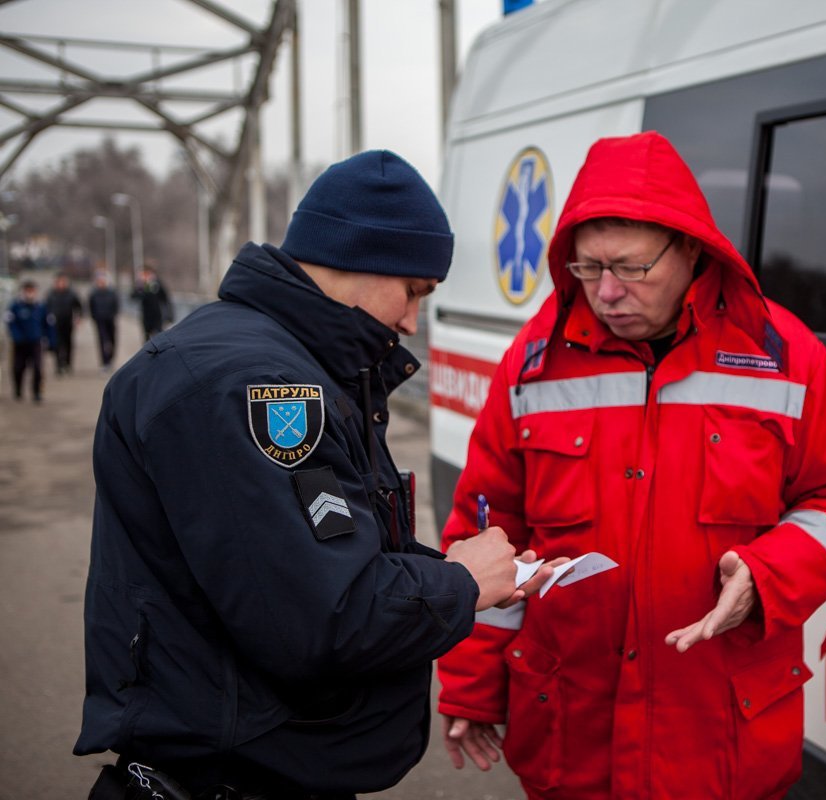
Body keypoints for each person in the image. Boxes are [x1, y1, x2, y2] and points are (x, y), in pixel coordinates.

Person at [76, 150, 560, 800]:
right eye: (414, 292)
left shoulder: (272, 360)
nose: (411, 322)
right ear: (362, 258)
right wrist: (459, 583)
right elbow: (322, 617)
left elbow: (314, 557)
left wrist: (462, 571)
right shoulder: (257, 385)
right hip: (234, 775)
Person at [437, 131, 826, 799]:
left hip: (720, 742)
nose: (607, 292)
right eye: (588, 268)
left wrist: (768, 575)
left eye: (631, 268)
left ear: (690, 248)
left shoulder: (782, 356)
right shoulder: (533, 364)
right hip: (574, 739)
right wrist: (472, 684)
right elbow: (486, 529)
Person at [5, 279, 49, 402]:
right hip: (20, 343)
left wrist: (50, 340)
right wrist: (16, 336)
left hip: (36, 342)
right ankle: (18, 389)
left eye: (32, 291)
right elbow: (10, 322)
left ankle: (37, 392)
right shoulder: (15, 306)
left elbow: (47, 324)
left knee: (38, 368)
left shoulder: (40, 306)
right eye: (27, 291)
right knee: (18, 368)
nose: (30, 293)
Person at [45, 272, 83, 374]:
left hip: (68, 322)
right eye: (59, 282)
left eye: (63, 281)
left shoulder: (71, 294)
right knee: (57, 344)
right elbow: (46, 308)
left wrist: (78, 317)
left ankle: (67, 364)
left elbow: (79, 306)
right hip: (55, 323)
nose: (61, 284)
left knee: (68, 343)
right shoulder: (51, 294)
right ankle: (58, 365)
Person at [131, 263, 172, 340]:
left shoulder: (157, 283)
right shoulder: (141, 285)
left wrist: (169, 314)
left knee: (159, 336)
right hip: (146, 315)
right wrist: (140, 287)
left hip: (157, 315)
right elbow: (133, 296)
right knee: (147, 337)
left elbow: (165, 298)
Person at [88, 270, 119, 370]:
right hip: (99, 320)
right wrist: (94, 316)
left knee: (112, 340)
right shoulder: (94, 294)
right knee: (102, 340)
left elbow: (116, 304)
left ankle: (111, 358)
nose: (101, 283)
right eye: (99, 281)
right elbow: (90, 306)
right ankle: (105, 362)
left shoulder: (112, 293)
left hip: (110, 319)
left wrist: (114, 314)